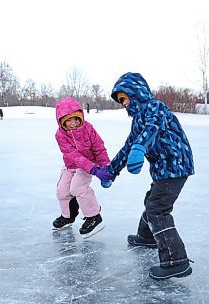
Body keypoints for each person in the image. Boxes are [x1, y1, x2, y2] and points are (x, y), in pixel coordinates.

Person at [106, 72, 195, 280]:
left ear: (136, 92)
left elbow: (152, 128)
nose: (123, 104)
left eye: (124, 98)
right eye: (120, 101)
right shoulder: (137, 119)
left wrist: (140, 147)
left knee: (158, 209)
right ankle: (146, 237)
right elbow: (128, 145)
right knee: (152, 201)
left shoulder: (155, 108)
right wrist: (112, 170)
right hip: (164, 169)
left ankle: (176, 261)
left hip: (176, 165)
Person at [53, 97, 115, 238]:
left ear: (81, 116)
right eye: (68, 120)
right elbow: (72, 154)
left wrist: (105, 168)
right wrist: (94, 170)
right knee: (62, 190)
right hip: (71, 165)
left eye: (76, 119)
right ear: (61, 121)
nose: (73, 123)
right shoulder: (60, 135)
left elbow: (99, 149)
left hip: (87, 165)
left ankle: (94, 217)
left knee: (77, 188)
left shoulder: (88, 129)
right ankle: (68, 216)